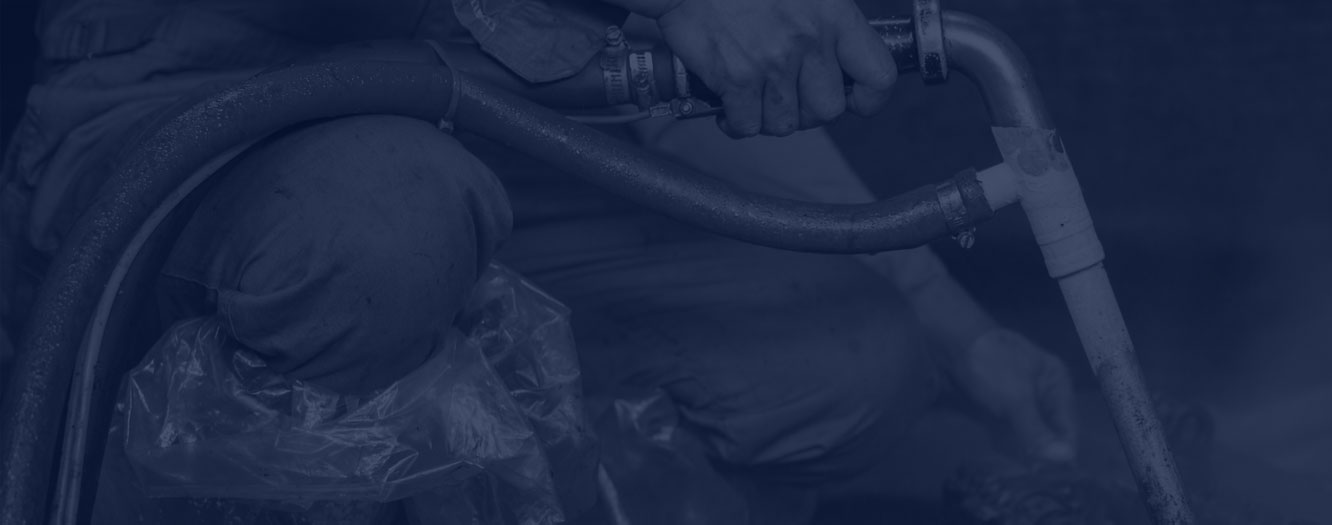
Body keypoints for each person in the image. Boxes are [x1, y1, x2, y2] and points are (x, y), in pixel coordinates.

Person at [0, 0, 1078, 521]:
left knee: (847, 357)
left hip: (506, 120)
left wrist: (961, 332)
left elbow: (707, 78)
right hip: (195, 104)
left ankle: (506, 475)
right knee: (387, 226)